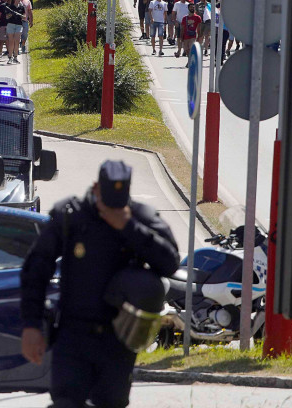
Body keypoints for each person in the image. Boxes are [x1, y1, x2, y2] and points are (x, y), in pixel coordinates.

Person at [20, 160, 179, 408]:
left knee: (111, 402)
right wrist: (31, 325)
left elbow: (170, 263)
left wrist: (129, 227)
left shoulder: (140, 217)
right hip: (73, 334)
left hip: (118, 337)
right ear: (96, 188)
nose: (112, 209)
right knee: (66, 402)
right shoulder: (71, 215)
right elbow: (35, 270)